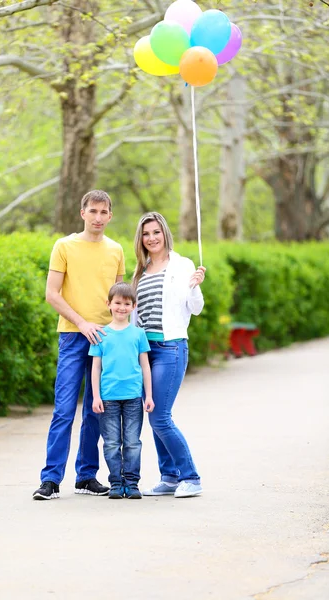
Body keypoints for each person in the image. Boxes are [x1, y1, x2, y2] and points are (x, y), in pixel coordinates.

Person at [33, 190, 125, 500]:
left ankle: (86, 476)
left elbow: (121, 297)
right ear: (82, 212)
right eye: (93, 211)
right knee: (64, 409)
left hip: (105, 338)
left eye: (104, 212)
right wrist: (82, 323)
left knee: (96, 410)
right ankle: (50, 479)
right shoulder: (64, 246)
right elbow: (52, 294)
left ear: (110, 216)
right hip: (73, 335)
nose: (98, 217)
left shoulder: (116, 250)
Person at [131, 212, 206, 499]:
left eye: (156, 232)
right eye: (146, 234)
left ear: (165, 234)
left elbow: (195, 308)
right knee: (154, 413)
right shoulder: (141, 271)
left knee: (160, 416)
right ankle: (169, 477)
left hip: (171, 348)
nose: (151, 238)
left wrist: (195, 285)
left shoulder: (182, 265)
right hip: (145, 353)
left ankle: (191, 476)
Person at [90, 282, 154, 500]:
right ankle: (116, 482)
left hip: (134, 397)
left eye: (127, 303)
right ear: (109, 304)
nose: (121, 307)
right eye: (117, 303)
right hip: (108, 398)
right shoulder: (101, 335)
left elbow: (145, 365)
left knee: (133, 442)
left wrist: (149, 396)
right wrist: (96, 396)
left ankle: (132, 482)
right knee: (111, 443)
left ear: (134, 306)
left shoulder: (138, 334)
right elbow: (96, 367)